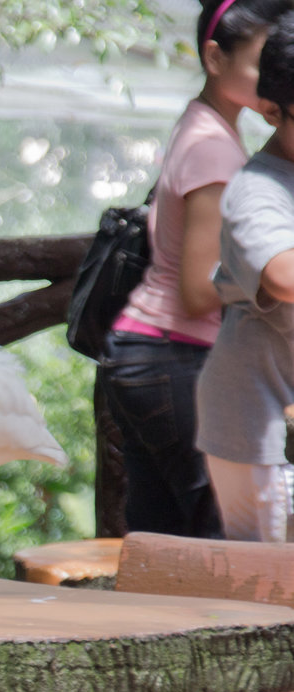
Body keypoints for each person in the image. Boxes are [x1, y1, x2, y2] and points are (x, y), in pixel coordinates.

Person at [101, 0, 289, 539]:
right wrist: (257, 270)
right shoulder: (215, 152)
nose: (271, 75)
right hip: (174, 352)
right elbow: (198, 290)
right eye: (261, 61)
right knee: (214, 542)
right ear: (214, 57)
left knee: (163, 537)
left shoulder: (205, 127)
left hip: (144, 351)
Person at [198, 9, 294, 540]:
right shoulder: (257, 190)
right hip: (257, 427)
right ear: (274, 112)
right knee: (269, 595)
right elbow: (282, 273)